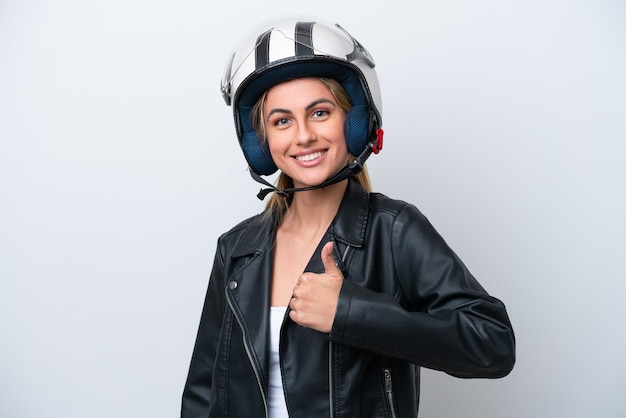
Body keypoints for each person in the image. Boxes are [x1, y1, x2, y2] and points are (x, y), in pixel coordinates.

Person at [181, 15, 515, 418]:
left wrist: (351, 312)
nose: (303, 135)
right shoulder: (235, 248)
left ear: (354, 121)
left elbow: (493, 344)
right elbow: (203, 392)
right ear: (262, 141)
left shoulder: (394, 231)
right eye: (282, 120)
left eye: (320, 113)